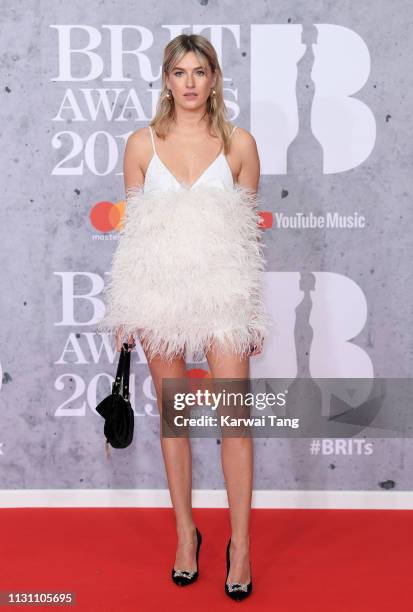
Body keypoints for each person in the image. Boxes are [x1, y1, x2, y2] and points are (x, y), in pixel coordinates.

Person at [97, 33, 272, 602]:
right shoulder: (141, 144)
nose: (191, 82)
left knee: (235, 423)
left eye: (201, 71)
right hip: (157, 293)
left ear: (215, 78)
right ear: (166, 80)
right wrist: (127, 307)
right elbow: (133, 235)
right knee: (176, 420)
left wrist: (248, 312)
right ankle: (185, 536)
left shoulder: (241, 144)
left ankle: (240, 546)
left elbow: (246, 242)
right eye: (180, 72)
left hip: (222, 294)